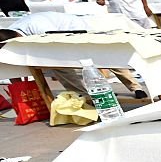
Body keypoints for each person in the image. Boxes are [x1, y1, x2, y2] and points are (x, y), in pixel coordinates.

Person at [0, 13, 145, 98]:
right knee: (58, 66)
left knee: (104, 56)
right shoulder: (13, 32)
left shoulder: (38, 27)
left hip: (76, 30)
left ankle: (135, 87)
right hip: (57, 37)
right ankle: (83, 96)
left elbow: (57, 42)